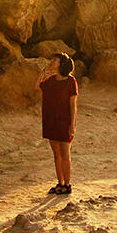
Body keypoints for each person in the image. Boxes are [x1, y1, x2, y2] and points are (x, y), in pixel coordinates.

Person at [38, 52, 78, 195]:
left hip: (64, 121)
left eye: (54, 60)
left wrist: (72, 124)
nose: (51, 62)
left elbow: (73, 104)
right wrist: (44, 72)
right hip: (50, 120)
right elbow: (39, 85)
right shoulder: (51, 81)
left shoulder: (70, 81)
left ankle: (67, 185)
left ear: (61, 64)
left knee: (65, 154)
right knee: (56, 155)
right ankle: (60, 183)